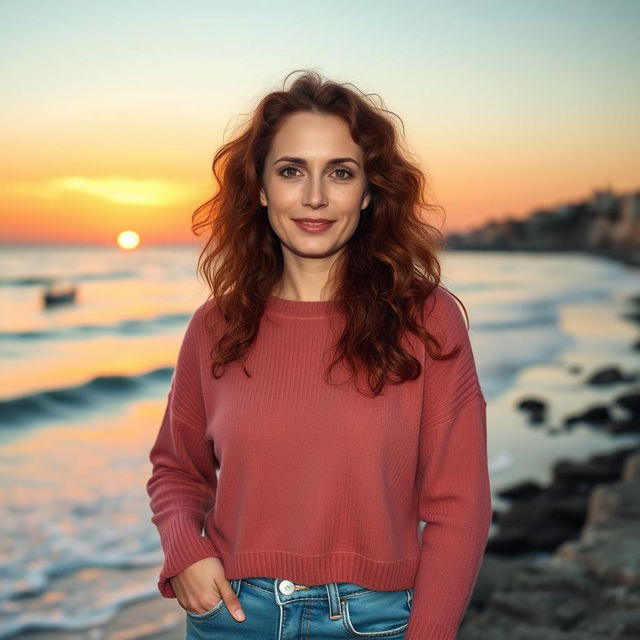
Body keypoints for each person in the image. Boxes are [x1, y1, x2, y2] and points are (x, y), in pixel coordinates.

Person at [146, 69, 492, 640]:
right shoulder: (216, 326)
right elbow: (177, 469)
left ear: (369, 190)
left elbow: (460, 505)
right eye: (290, 171)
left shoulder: (427, 320)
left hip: (376, 619)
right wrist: (186, 551)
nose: (314, 196)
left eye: (340, 172)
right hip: (232, 615)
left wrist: (430, 632)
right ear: (260, 189)